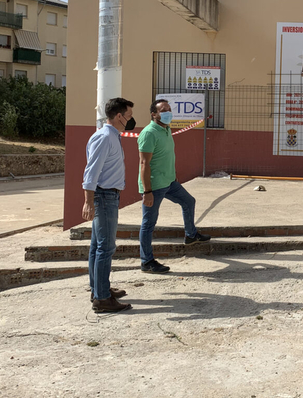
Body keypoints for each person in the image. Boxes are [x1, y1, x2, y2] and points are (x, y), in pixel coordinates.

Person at [138, 99, 210, 273]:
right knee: (148, 223)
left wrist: (172, 174)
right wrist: (147, 191)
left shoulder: (166, 129)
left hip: (169, 182)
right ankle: (146, 261)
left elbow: (166, 156)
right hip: (154, 186)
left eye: (169, 109)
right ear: (153, 114)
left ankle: (190, 235)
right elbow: (143, 164)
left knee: (189, 201)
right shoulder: (148, 133)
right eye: (163, 110)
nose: (168, 112)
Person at [82, 97, 135, 313]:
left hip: (107, 196)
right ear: (119, 116)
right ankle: (102, 299)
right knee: (106, 248)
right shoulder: (105, 137)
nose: (132, 120)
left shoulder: (112, 136)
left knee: (98, 246)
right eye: (129, 116)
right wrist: (88, 201)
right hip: (104, 197)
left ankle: (99, 289)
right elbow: (91, 171)